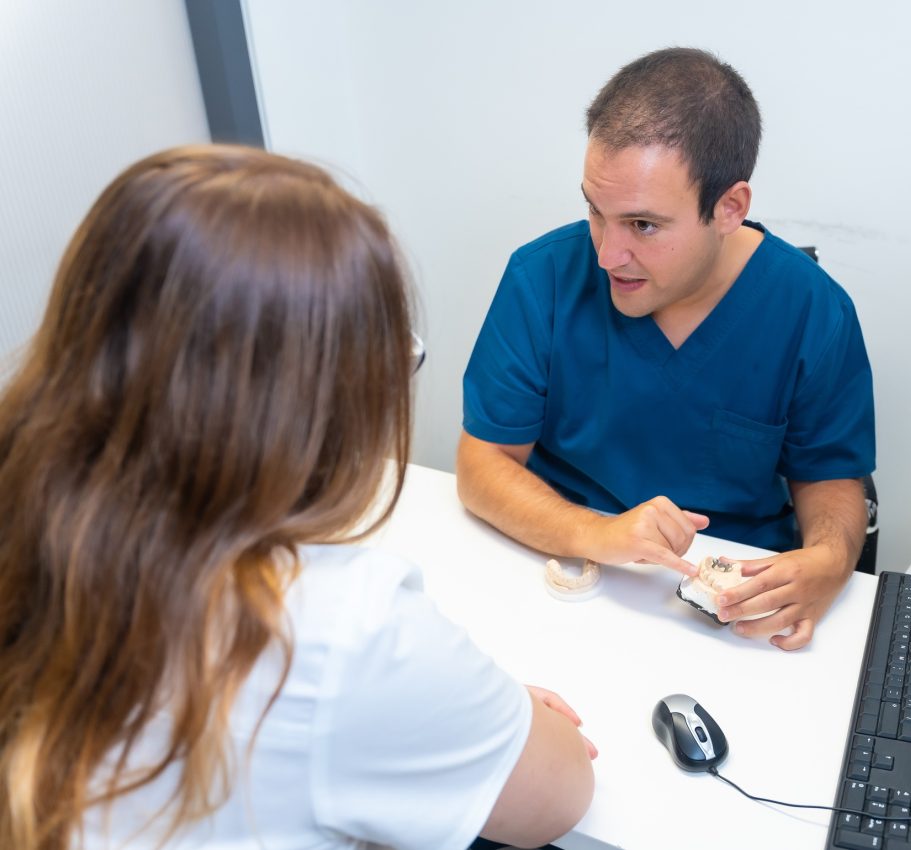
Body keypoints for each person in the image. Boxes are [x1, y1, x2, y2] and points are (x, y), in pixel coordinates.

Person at [0, 145, 593, 850]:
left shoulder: (32, 522)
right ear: (315, 401)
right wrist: (476, 708)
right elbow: (559, 796)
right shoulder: (337, 628)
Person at [458, 48, 875, 652]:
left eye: (644, 226)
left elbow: (832, 475)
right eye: (595, 212)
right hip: (561, 574)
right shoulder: (541, 277)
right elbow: (481, 465)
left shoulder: (811, 310)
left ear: (729, 208)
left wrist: (832, 560)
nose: (605, 255)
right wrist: (595, 532)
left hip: (725, 612)